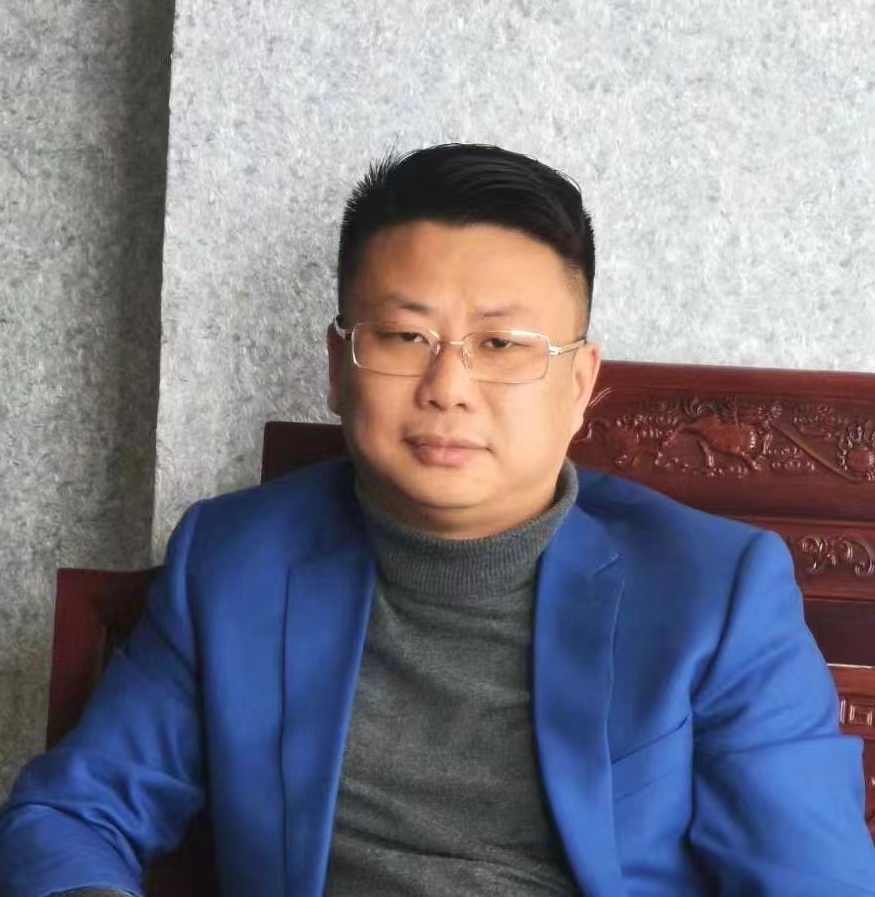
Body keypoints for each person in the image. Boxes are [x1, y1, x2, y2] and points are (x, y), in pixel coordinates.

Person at [1, 143, 874, 897]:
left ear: (578, 384)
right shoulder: (233, 560)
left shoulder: (716, 592)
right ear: (338, 366)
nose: (447, 386)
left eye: (502, 345)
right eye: (403, 337)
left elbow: (813, 880)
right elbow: (72, 813)